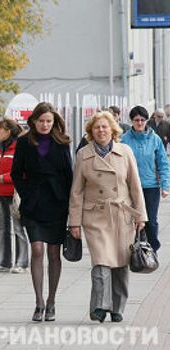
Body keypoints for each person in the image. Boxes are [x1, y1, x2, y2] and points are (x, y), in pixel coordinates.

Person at [69, 111, 147, 323]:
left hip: (122, 214)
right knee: (101, 261)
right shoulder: (83, 154)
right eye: (97, 127)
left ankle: (118, 308)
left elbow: (135, 185)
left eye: (105, 127)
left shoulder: (125, 151)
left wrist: (141, 215)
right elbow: (76, 191)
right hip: (95, 215)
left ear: (113, 130)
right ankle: (100, 306)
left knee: (121, 263)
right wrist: (74, 222)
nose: (101, 131)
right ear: (91, 132)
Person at [11, 102, 73, 322]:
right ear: (34, 121)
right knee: (37, 248)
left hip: (57, 203)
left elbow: (69, 175)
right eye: (41, 121)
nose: (45, 125)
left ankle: (51, 301)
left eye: (49, 121)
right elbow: (16, 173)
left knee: (54, 253)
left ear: (54, 121)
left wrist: (70, 205)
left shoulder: (62, 143)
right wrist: (27, 193)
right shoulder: (24, 143)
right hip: (33, 204)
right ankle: (38, 302)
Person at [121, 106, 170, 252]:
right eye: (136, 120)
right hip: (130, 187)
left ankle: (152, 249)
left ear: (146, 120)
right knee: (131, 220)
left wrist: (165, 185)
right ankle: (134, 248)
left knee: (150, 221)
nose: (140, 123)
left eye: (142, 120)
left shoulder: (154, 139)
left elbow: (163, 163)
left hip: (150, 186)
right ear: (132, 121)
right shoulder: (124, 140)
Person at [0, 117, 29, 274]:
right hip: (0, 196)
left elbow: (23, 173)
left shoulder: (19, 147)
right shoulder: (0, 148)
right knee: (3, 230)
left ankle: (22, 263)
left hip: (14, 195)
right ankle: (3, 262)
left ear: (8, 131)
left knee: (18, 229)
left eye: (0, 129)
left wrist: (4, 178)